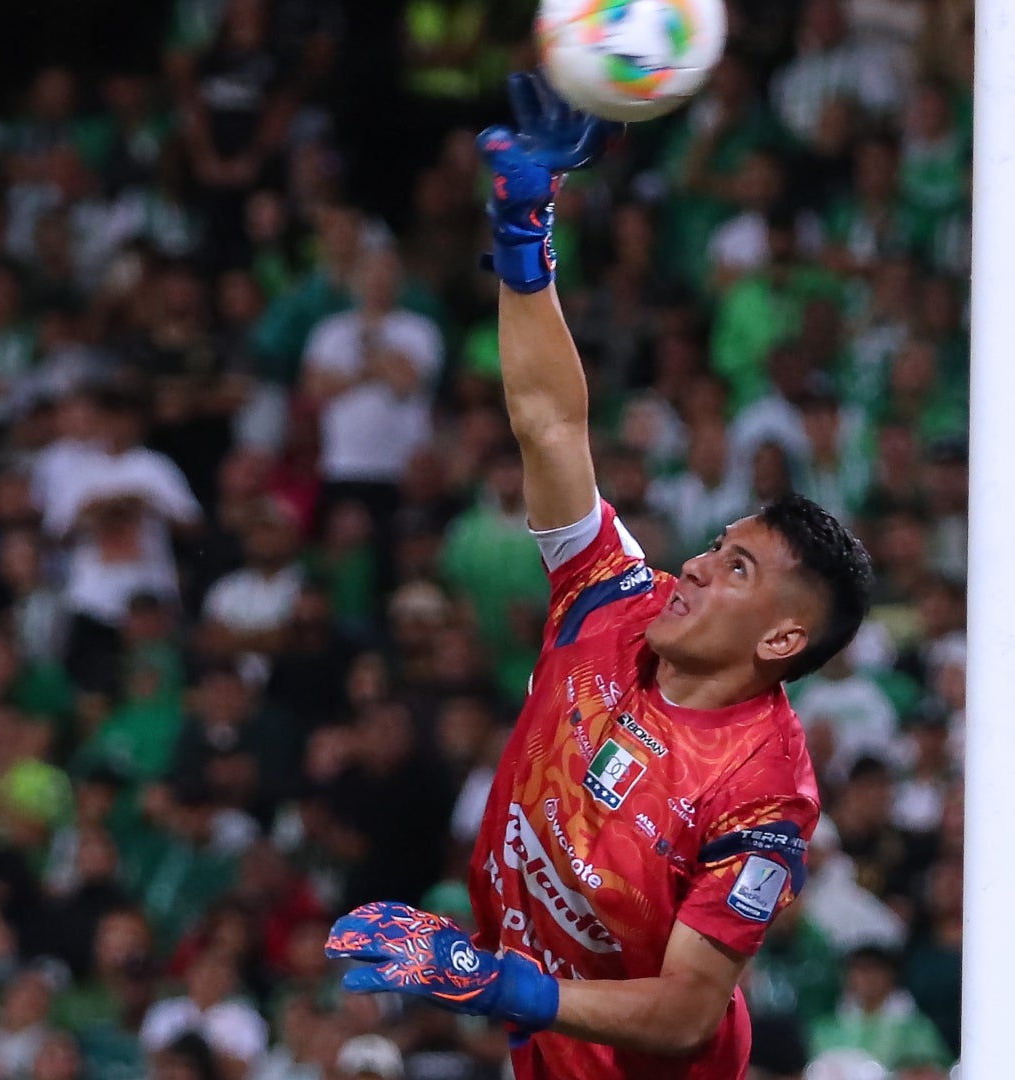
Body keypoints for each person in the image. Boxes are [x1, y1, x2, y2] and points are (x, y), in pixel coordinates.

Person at [324, 74, 874, 1080]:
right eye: (718, 543)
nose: (700, 565)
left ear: (782, 640)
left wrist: (500, 984)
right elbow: (549, 420)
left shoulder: (762, 796)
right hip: (535, 1046)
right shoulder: (617, 597)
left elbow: (682, 1016)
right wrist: (525, 240)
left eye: (737, 567)